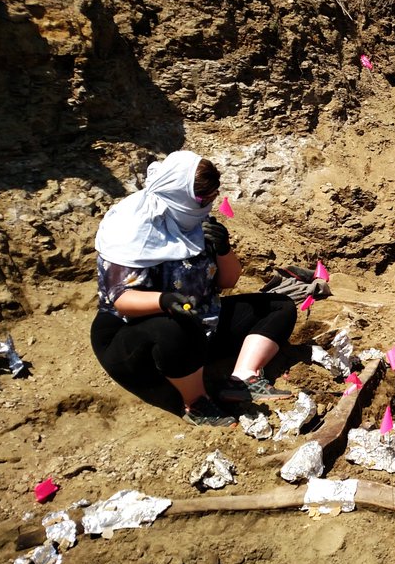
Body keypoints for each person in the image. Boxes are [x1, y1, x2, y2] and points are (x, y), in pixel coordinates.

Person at [90, 151, 297, 427]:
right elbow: (121, 299)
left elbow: (227, 281)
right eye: (204, 198)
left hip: (202, 321)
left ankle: (243, 376)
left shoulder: (192, 220)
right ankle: (196, 402)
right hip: (135, 337)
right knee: (174, 328)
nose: (210, 203)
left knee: (278, 306)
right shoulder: (130, 228)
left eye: (214, 196)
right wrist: (163, 301)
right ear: (180, 195)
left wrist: (223, 249)